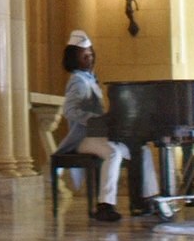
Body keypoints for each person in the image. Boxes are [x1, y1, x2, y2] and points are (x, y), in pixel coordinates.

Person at [58, 29, 159, 222]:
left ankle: (148, 199)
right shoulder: (78, 81)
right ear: (74, 58)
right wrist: (96, 119)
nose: (89, 58)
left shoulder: (90, 79)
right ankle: (105, 205)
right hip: (83, 138)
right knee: (112, 153)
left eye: (91, 54)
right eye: (85, 56)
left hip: (98, 135)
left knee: (141, 149)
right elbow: (70, 111)